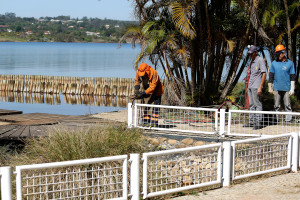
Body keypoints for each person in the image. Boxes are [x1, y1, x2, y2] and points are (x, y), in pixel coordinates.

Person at [268, 44, 295, 122]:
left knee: (288, 105)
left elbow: (292, 76)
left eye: (280, 53)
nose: (278, 55)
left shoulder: (290, 63)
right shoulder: (274, 63)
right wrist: (270, 87)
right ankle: (275, 120)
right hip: (276, 87)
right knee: (276, 105)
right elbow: (271, 76)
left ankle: (288, 120)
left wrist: (292, 88)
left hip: (286, 88)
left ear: (284, 53)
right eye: (277, 53)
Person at [243, 45, 267, 130]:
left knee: (257, 104)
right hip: (250, 85)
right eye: (249, 53)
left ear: (255, 52)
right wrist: (247, 86)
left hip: (256, 86)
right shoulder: (251, 61)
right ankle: (252, 121)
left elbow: (264, 74)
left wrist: (260, 87)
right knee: (251, 104)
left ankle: (258, 123)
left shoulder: (260, 60)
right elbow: (250, 74)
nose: (250, 55)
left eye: (251, 53)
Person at [134, 63, 164, 127]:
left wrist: (143, 93)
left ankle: (154, 124)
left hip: (156, 91)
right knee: (146, 107)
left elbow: (152, 88)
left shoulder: (154, 73)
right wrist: (137, 87)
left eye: (144, 74)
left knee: (155, 109)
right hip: (146, 90)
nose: (142, 75)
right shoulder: (138, 71)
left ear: (147, 70)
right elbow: (137, 80)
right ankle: (146, 123)